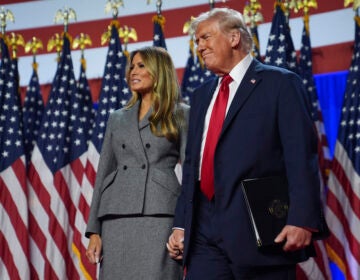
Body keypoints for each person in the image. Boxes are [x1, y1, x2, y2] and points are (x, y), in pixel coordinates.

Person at [167, 7, 324, 280]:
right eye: (197, 41)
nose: (199, 46)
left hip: (259, 226)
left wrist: (301, 218)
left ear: (234, 38)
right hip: (204, 229)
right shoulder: (201, 94)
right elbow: (192, 166)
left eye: (205, 38)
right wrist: (181, 223)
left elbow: (301, 156)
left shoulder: (280, 83)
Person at [85, 46, 189, 280]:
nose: (133, 71)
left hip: (160, 214)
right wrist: (94, 231)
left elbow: (191, 174)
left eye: (141, 65)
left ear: (159, 70)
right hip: (116, 218)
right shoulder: (117, 117)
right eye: (132, 66)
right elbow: (104, 172)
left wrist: (184, 226)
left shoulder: (181, 113)